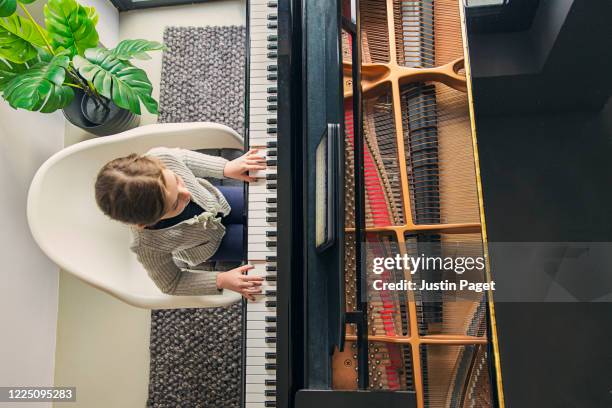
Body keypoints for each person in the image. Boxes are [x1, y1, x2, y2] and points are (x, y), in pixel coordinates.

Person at [94, 147, 265, 301]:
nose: (186, 194)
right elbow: (171, 284)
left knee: (267, 205)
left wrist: (224, 168)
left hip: (216, 198)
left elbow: (186, 159)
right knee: (264, 243)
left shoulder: (161, 157)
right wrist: (220, 280)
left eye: (177, 180)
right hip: (212, 244)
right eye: (175, 204)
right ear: (145, 224)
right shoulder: (147, 245)